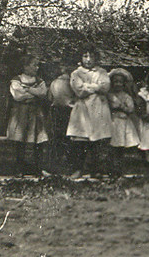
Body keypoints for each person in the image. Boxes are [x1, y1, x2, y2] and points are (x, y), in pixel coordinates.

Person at [67, 49, 112, 178]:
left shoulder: (102, 72)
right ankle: (78, 169)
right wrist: (96, 86)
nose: (88, 59)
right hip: (83, 109)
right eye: (85, 56)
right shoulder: (76, 73)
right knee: (80, 140)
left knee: (98, 141)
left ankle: (96, 170)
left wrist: (89, 86)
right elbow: (79, 91)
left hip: (99, 109)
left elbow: (105, 86)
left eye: (91, 56)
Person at [7, 56, 48, 175]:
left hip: (35, 114)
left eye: (37, 65)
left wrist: (27, 90)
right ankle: (19, 168)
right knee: (21, 140)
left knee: (38, 139)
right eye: (34, 65)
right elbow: (18, 96)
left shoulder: (39, 80)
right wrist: (34, 94)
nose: (37, 67)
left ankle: (38, 168)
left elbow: (43, 93)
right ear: (25, 66)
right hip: (21, 114)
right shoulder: (16, 80)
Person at [107, 68, 139, 177]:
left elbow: (131, 109)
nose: (118, 84)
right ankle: (111, 169)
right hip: (112, 121)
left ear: (124, 84)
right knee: (112, 147)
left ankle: (119, 169)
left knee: (120, 147)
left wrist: (122, 106)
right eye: (115, 82)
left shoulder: (126, 96)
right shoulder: (109, 95)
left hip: (123, 122)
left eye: (120, 82)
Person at [47, 63, 76, 173]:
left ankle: (56, 160)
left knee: (56, 136)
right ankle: (68, 161)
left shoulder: (54, 83)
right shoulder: (70, 83)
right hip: (68, 110)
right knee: (68, 136)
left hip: (56, 110)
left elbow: (50, 97)